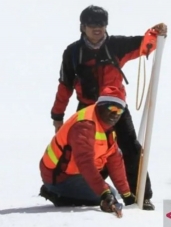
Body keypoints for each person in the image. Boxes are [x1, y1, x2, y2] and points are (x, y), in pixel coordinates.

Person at [50, 5, 167, 210]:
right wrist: (57, 116)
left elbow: (146, 44)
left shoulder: (117, 45)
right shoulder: (72, 53)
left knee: (130, 147)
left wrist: (156, 32)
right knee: (86, 154)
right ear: (83, 27)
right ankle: (78, 192)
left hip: (116, 109)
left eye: (102, 24)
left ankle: (141, 196)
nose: (98, 29)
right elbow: (65, 85)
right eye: (93, 25)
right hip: (87, 111)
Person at [40, 86, 136, 216]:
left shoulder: (106, 125)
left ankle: (66, 193)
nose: (115, 114)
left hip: (75, 173)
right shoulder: (85, 125)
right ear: (101, 105)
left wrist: (126, 194)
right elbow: (85, 162)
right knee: (108, 195)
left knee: (115, 194)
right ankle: (56, 194)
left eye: (120, 110)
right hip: (59, 176)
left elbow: (115, 160)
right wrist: (104, 193)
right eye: (112, 108)